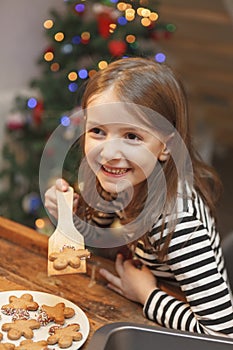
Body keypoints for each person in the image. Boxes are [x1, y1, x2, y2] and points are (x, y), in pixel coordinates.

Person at [44, 57, 233, 337]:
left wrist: (146, 293)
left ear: (164, 147)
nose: (108, 153)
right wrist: (68, 218)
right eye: (98, 131)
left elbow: (222, 332)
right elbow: (100, 231)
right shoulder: (121, 180)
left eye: (132, 136)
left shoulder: (179, 225)